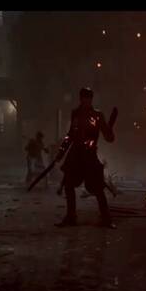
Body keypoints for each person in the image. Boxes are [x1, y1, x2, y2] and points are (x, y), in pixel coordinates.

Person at [54, 87, 116, 228]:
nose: (86, 101)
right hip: (76, 155)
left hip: (90, 155)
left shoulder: (98, 115)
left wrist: (110, 133)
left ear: (91, 99)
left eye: (88, 98)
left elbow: (108, 137)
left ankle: (106, 219)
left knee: (98, 188)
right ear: (81, 98)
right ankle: (71, 217)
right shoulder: (76, 114)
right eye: (84, 98)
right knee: (69, 185)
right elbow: (70, 135)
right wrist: (61, 152)